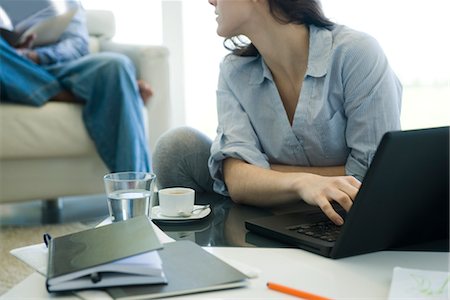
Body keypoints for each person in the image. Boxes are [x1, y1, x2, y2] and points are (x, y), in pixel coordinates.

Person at [153, 0, 402, 225]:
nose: (210, 1)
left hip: (348, 219)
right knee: (177, 147)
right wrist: (302, 183)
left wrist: (260, 174)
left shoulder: (356, 52)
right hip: (265, 215)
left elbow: (372, 176)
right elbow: (237, 182)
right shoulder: (234, 70)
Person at [0, 0, 152, 172]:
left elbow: (77, 46)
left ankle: (136, 190)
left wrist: (35, 56)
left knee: (116, 65)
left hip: (56, 69)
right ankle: (65, 94)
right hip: (8, 70)